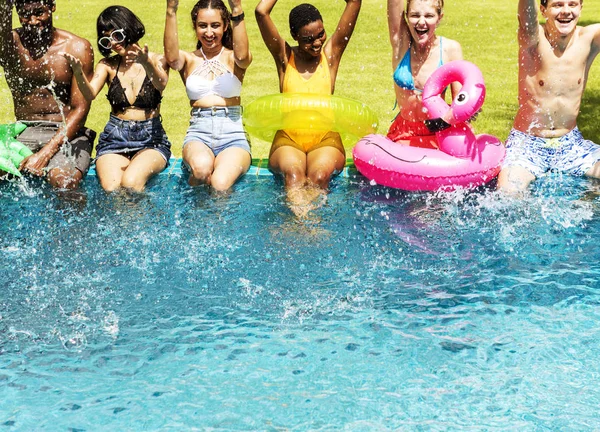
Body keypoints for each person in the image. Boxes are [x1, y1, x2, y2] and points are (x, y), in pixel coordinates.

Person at [255, 0, 361, 215]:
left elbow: (354, 2)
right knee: (294, 174)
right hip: (289, 139)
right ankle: (305, 227)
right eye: (308, 39)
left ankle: (306, 227)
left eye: (321, 34)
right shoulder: (284, 57)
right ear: (295, 36)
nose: (316, 43)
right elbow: (261, 11)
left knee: (319, 176)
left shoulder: (330, 56)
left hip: (325, 139)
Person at [63, 6, 171, 192]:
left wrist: (146, 63)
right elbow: (90, 94)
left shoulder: (157, 60)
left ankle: (146, 220)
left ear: (128, 29)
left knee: (130, 183)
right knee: (112, 190)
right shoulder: (107, 65)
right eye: (107, 39)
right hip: (114, 139)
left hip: (151, 139)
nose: (113, 43)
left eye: (117, 35)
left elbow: (161, 83)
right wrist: (78, 72)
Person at [497, 0, 600, 192]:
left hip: (571, 144)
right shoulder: (533, 38)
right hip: (527, 144)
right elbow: (526, 13)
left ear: (581, 8)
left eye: (572, 4)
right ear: (543, 10)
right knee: (508, 193)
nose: (566, 11)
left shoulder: (590, 38)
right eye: (558, 5)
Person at [0, 0, 95, 189]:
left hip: (66, 133)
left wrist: (44, 154)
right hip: (23, 132)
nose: (33, 21)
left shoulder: (76, 47)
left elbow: (81, 109)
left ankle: (77, 220)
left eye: (39, 13)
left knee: (64, 183)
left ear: (52, 7)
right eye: (25, 15)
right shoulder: (10, 46)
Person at [164, 0, 252, 191]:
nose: (209, 32)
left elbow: (244, 56)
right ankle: (193, 216)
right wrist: (171, 10)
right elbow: (171, 58)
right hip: (198, 133)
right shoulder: (188, 59)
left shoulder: (233, 58)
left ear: (226, 26)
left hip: (233, 135)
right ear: (195, 27)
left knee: (220, 184)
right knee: (201, 170)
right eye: (202, 26)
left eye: (215, 25)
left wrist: (237, 9)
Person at [387, 0, 462, 148]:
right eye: (415, 15)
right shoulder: (400, 43)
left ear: (439, 18)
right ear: (406, 16)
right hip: (404, 131)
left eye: (429, 16)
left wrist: (445, 121)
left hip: (438, 131)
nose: (421, 22)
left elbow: (460, 102)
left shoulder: (450, 49)